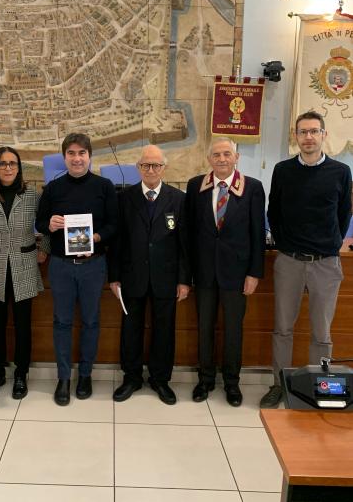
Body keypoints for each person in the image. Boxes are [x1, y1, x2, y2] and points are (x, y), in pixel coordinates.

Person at [260, 111, 352, 408]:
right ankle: (279, 385)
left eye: (314, 131)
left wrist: (331, 244)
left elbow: (343, 213)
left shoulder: (340, 171)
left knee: (321, 332)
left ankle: (319, 388)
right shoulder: (283, 170)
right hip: (289, 261)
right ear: (295, 136)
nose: (308, 137)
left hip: (326, 263)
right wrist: (287, 244)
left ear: (323, 135)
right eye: (303, 132)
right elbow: (274, 212)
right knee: (283, 327)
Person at [36, 132, 118, 406]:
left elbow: (113, 225)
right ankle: (63, 377)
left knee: (92, 321)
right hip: (61, 266)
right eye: (71, 153)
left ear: (89, 156)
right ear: (64, 157)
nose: (77, 158)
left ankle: (85, 374)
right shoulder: (53, 188)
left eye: (82, 153)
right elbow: (39, 222)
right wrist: (51, 224)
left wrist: (96, 238)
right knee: (61, 322)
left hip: (93, 266)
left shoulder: (105, 186)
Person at [185, 136, 266, 407]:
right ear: (209, 159)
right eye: (216, 155)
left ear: (236, 157)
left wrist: (254, 273)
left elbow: (257, 233)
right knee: (204, 327)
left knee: (233, 330)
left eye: (227, 154)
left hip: (237, 273)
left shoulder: (253, 188)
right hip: (205, 272)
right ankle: (205, 379)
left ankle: (232, 383)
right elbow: (189, 233)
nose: (222, 159)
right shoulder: (196, 186)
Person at [109, 145, 190, 404]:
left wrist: (183, 280)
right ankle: (131, 377)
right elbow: (117, 241)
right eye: (146, 165)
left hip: (166, 277)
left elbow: (184, 244)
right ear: (138, 168)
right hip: (132, 275)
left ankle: (160, 379)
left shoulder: (179, 199)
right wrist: (114, 276)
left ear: (164, 168)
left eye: (156, 165)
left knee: (164, 330)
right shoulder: (124, 198)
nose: (151, 170)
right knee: (130, 329)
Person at [0, 146, 48, 400]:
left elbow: (47, 225)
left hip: (24, 266)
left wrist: (44, 249)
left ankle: (20, 374)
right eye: (3, 163)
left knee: (23, 325)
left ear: (19, 167)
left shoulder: (31, 195)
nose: (8, 168)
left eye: (13, 163)